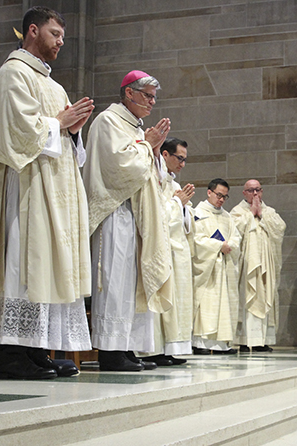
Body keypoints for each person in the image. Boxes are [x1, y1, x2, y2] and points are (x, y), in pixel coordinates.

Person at [0, 6, 95, 379]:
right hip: (27, 189)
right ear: (32, 31)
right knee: (25, 266)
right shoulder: (13, 74)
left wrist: (74, 130)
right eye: (55, 34)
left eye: (62, 36)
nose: (61, 42)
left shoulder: (54, 84)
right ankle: (13, 354)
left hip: (56, 190)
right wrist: (57, 122)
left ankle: (36, 349)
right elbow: (10, 134)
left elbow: (68, 148)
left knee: (47, 266)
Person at [84, 70, 175, 371]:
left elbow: (152, 174)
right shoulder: (108, 122)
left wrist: (152, 149)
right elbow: (120, 166)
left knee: (134, 284)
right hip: (115, 213)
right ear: (129, 93)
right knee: (115, 282)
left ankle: (127, 348)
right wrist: (146, 145)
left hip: (136, 215)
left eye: (154, 97)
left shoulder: (134, 126)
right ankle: (110, 352)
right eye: (147, 95)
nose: (152, 102)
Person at [141, 137, 194, 366]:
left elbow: (188, 220)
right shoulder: (155, 180)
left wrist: (182, 206)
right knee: (161, 298)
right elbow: (156, 215)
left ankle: (169, 347)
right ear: (164, 155)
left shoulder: (173, 185)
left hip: (177, 249)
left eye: (185, 160)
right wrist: (176, 204)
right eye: (179, 158)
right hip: (161, 248)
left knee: (175, 301)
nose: (182, 164)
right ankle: (153, 350)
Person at [230, 180, 286, 352]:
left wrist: (260, 214)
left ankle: (262, 340)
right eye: (251, 190)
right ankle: (245, 340)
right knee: (247, 296)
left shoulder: (269, 212)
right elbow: (232, 230)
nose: (255, 194)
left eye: (257, 190)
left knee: (266, 294)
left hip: (266, 266)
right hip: (247, 265)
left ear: (262, 192)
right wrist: (250, 215)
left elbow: (280, 229)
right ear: (244, 193)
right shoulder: (237, 212)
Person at [191, 179, 241, 354]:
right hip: (207, 269)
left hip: (224, 268)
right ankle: (201, 344)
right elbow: (196, 240)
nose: (221, 200)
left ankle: (221, 344)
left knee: (223, 307)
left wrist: (229, 245)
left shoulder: (227, 217)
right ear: (209, 192)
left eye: (225, 197)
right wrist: (218, 246)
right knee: (207, 304)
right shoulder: (198, 213)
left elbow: (236, 237)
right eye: (219, 195)